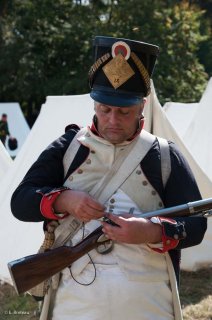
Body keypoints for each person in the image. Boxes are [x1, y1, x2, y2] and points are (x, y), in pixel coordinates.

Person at [11, 36, 207, 320]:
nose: (113, 120)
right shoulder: (68, 148)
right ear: (94, 104)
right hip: (74, 303)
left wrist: (149, 232)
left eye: (124, 112)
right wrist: (65, 200)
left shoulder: (165, 156)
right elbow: (20, 202)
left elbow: (197, 225)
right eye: (105, 109)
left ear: (142, 105)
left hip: (148, 304)